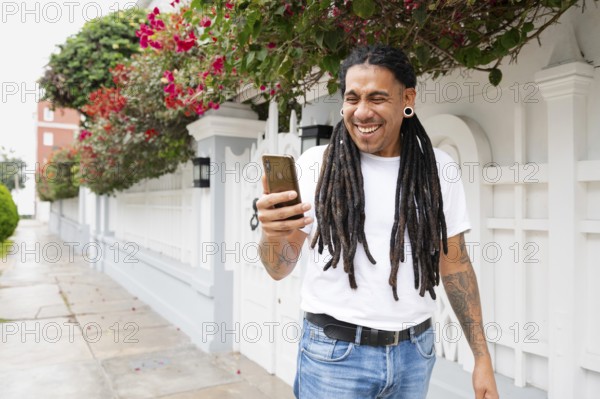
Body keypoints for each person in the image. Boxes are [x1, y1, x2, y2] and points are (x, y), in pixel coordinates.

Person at [256, 45, 499, 399]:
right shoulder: (315, 166)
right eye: (352, 98)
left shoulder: (438, 168)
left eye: (377, 98)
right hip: (333, 357)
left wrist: (481, 358)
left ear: (407, 98)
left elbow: (456, 264)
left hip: (415, 354)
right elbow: (278, 269)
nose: (362, 111)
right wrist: (272, 233)